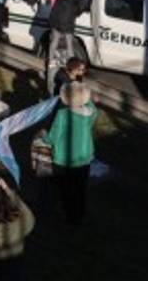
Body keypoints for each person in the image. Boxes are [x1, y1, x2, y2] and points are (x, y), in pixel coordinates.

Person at [45, 81, 98, 224]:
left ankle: (69, 216)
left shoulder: (63, 115)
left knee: (66, 190)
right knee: (80, 188)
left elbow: (53, 138)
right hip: (84, 158)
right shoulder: (91, 111)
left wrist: (44, 136)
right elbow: (91, 106)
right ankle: (80, 213)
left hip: (64, 159)